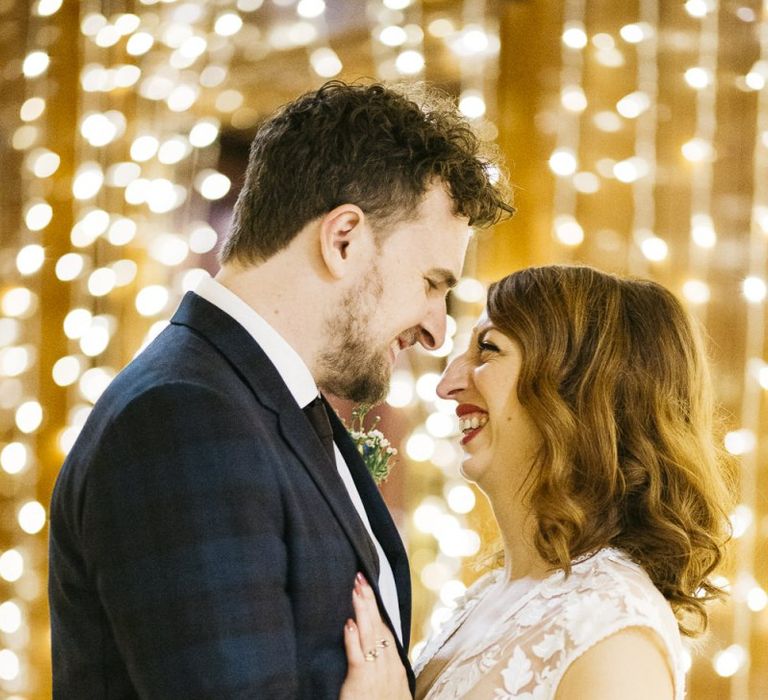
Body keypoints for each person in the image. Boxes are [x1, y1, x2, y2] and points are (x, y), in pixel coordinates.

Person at [48, 80, 512, 699]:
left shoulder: (259, 400)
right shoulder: (185, 416)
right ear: (342, 238)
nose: (435, 330)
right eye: (432, 283)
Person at [343, 265, 733, 700]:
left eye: (488, 350)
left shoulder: (612, 635)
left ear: (577, 391)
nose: (448, 384)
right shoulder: (488, 597)